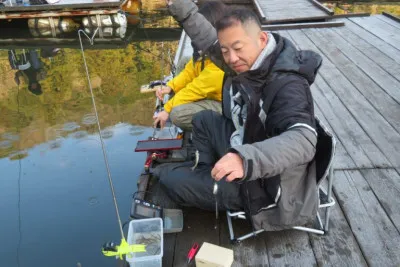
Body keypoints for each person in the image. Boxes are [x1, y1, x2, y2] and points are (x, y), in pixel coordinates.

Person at [156, 0, 323, 231]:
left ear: (261, 39)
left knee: (168, 179)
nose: (231, 58)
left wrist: (244, 159)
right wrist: (179, 6)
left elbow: (303, 140)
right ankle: (208, 174)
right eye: (226, 51)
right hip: (247, 141)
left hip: (268, 186)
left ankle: (212, 183)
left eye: (238, 48)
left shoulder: (288, 84)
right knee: (202, 119)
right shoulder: (251, 61)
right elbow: (209, 40)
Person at [152, 1, 225, 130]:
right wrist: (171, 87)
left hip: (223, 106)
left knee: (178, 115)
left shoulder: (220, 65)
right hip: (207, 91)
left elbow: (195, 89)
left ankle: (215, 128)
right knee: (185, 61)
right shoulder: (209, 51)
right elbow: (190, 71)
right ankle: (180, 102)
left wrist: (168, 109)